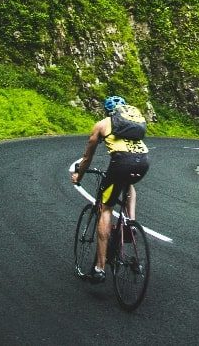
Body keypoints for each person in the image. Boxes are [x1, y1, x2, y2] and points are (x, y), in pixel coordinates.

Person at [71, 95, 149, 283]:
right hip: (144, 161)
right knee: (127, 184)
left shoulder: (102, 124)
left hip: (121, 162)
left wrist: (78, 176)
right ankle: (130, 223)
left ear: (107, 112)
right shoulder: (132, 125)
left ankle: (99, 268)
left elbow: (87, 158)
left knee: (106, 208)